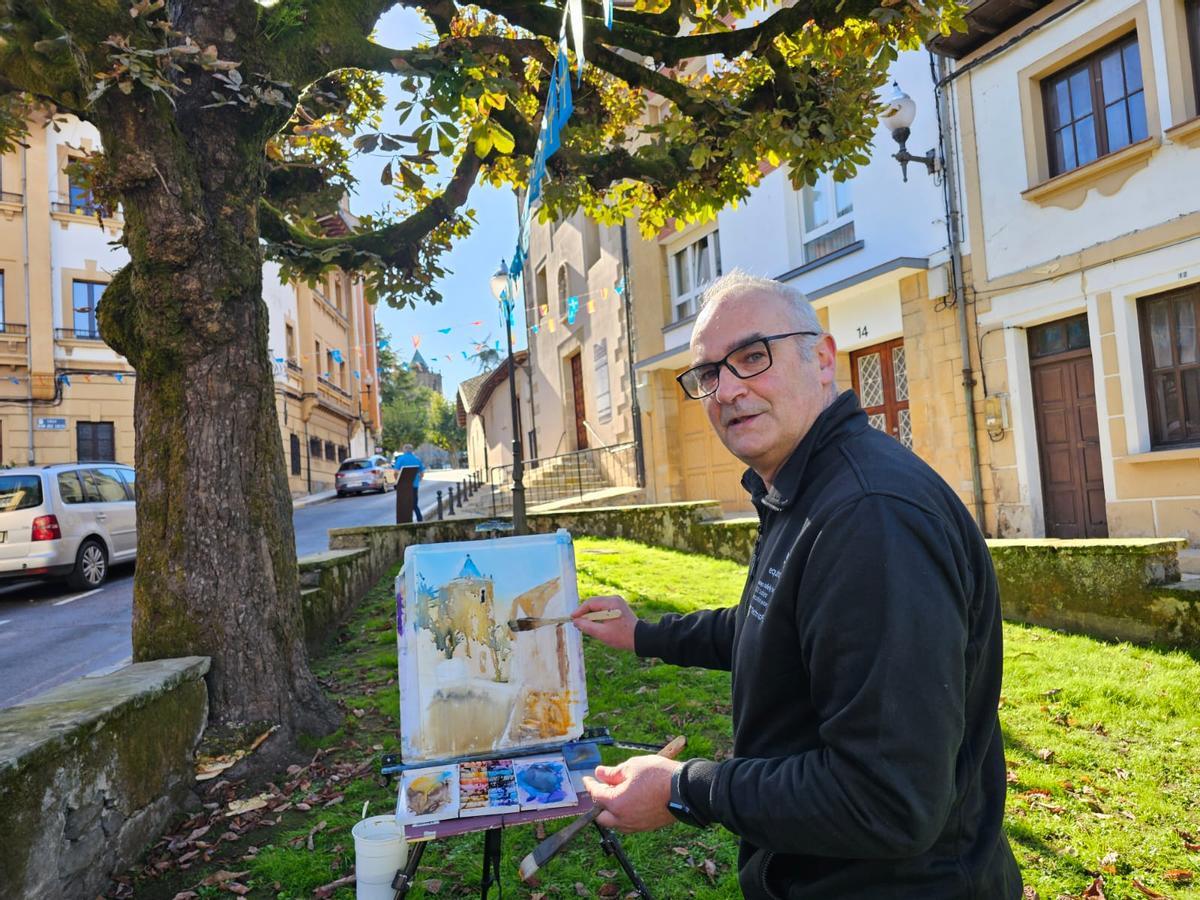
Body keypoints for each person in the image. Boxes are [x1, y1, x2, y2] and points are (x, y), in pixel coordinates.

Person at [574, 271, 1022, 898]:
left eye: (753, 357)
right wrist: (644, 633)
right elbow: (769, 625)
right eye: (709, 374)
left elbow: (887, 800)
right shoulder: (804, 489)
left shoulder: (869, 517)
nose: (727, 389)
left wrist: (685, 789)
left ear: (822, 359)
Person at [393, 443, 425, 522]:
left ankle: (405, 520)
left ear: (404, 450)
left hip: (403, 486)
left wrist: (397, 481)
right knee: (414, 504)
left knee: (404, 504)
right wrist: (418, 480)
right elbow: (422, 473)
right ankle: (419, 519)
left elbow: (396, 472)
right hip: (414, 485)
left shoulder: (400, 459)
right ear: (412, 450)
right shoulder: (417, 459)